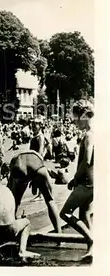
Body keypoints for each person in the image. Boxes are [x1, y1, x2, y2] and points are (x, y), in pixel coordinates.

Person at [59, 100, 94, 260]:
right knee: (85, 214)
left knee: (65, 213)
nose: (75, 122)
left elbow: (86, 161)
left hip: (86, 182)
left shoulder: (88, 135)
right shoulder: (95, 132)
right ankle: (92, 250)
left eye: (76, 119)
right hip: (93, 182)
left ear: (84, 116)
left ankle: (92, 240)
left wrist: (74, 179)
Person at [7, 151, 62, 234]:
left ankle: (11, 229)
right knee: (50, 200)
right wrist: (35, 180)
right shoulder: (35, 154)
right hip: (37, 165)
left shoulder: (13, 161)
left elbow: (9, 189)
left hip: (19, 167)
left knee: (15, 201)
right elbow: (39, 165)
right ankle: (59, 233)